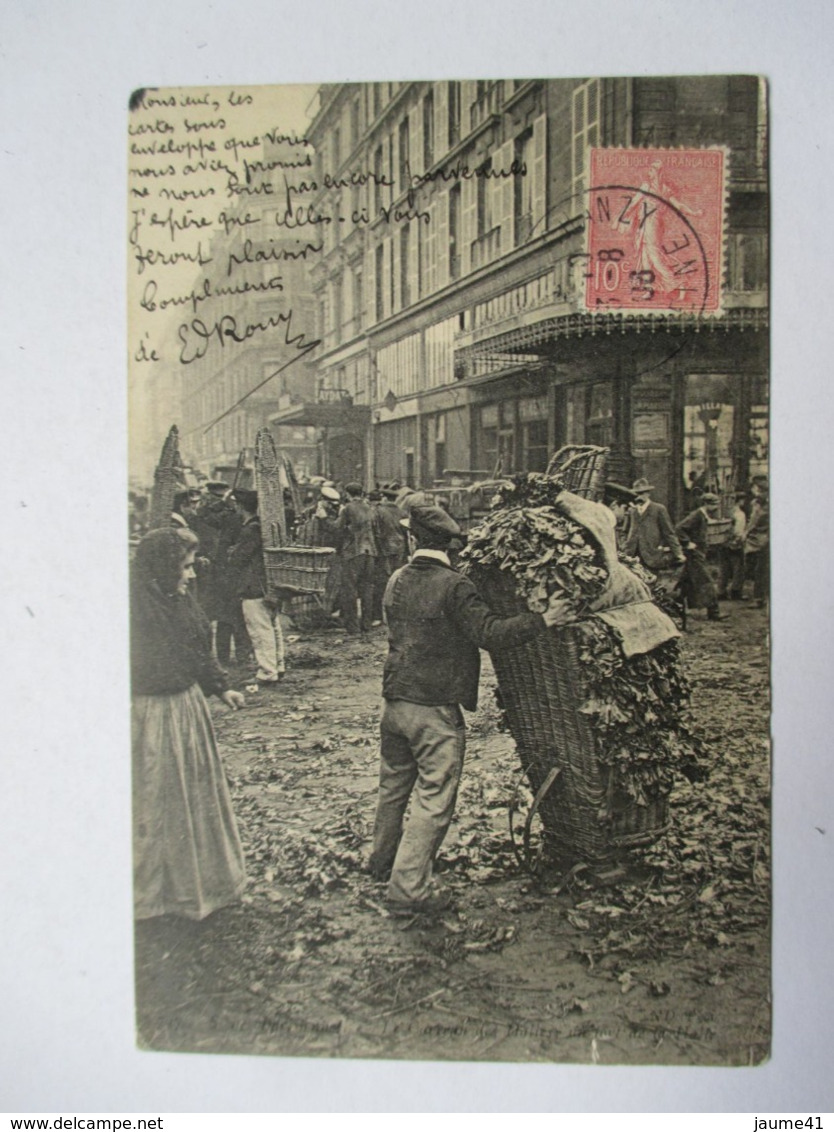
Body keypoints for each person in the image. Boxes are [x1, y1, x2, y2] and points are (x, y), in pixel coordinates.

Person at [368, 504, 572, 914]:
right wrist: (543, 619)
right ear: (451, 546)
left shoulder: (396, 579)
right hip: (434, 708)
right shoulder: (455, 585)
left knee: (393, 788)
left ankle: (382, 864)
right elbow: (489, 633)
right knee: (434, 796)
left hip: (394, 702)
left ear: (412, 540)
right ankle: (407, 892)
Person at [131, 528, 246, 921]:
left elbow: (198, 648)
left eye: (192, 566)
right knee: (154, 799)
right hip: (146, 714)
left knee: (189, 798)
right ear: (162, 569)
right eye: (185, 567)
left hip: (185, 709)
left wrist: (220, 687)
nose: (191, 575)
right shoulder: (133, 609)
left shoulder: (179, 600)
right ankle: (150, 896)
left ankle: (193, 886)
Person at [227, 488, 286, 683]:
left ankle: (267, 672)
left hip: (253, 586)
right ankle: (277, 665)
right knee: (272, 625)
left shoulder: (250, 529)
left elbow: (238, 558)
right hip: (265, 584)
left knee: (260, 630)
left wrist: (232, 552)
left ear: (239, 506)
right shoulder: (261, 527)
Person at [676, 492, 729, 622]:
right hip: (694, 555)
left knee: (686, 583)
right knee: (707, 581)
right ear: (706, 504)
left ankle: (674, 606)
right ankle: (714, 612)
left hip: (697, 554)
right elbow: (679, 528)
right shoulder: (696, 515)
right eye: (714, 505)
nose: (716, 507)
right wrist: (687, 543)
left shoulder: (703, 516)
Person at [336, 482, 379, 634]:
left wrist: (323, 518)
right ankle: (366, 625)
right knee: (367, 589)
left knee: (350, 590)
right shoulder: (371, 508)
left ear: (347, 493)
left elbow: (337, 528)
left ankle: (352, 627)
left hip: (353, 552)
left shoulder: (348, 508)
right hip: (370, 552)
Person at [622, 478, 685, 570]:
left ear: (648, 493)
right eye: (636, 494)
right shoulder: (632, 511)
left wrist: (678, 553)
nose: (639, 497)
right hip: (632, 555)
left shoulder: (658, 509)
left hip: (651, 555)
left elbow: (669, 533)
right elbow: (624, 531)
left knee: (651, 581)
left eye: (642, 493)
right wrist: (624, 546)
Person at [370, 484, 407, 624]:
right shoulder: (402, 512)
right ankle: (397, 615)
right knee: (399, 582)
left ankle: (377, 617)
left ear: (384, 498)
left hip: (384, 550)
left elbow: (377, 532)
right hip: (400, 550)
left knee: (380, 583)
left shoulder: (378, 511)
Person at [744, 479, 769, 609]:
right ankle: (760, 597)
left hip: (764, 540)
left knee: (761, 570)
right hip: (760, 539)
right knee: (759, 569)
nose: (753, 491)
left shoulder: (763, 505)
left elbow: (754, 522)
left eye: (755, 488)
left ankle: (760, 598)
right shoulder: (758, 503)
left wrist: (745, 533)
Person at [718, 490, 747, 600]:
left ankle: (721, 591)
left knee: (723, 568)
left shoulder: (726, 512)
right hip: (734, 543)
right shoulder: (740, 514)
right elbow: (738, 531)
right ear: (740, 501)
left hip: (723, 542)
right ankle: (736, 591)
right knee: (738, 568)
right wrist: (740, 539)